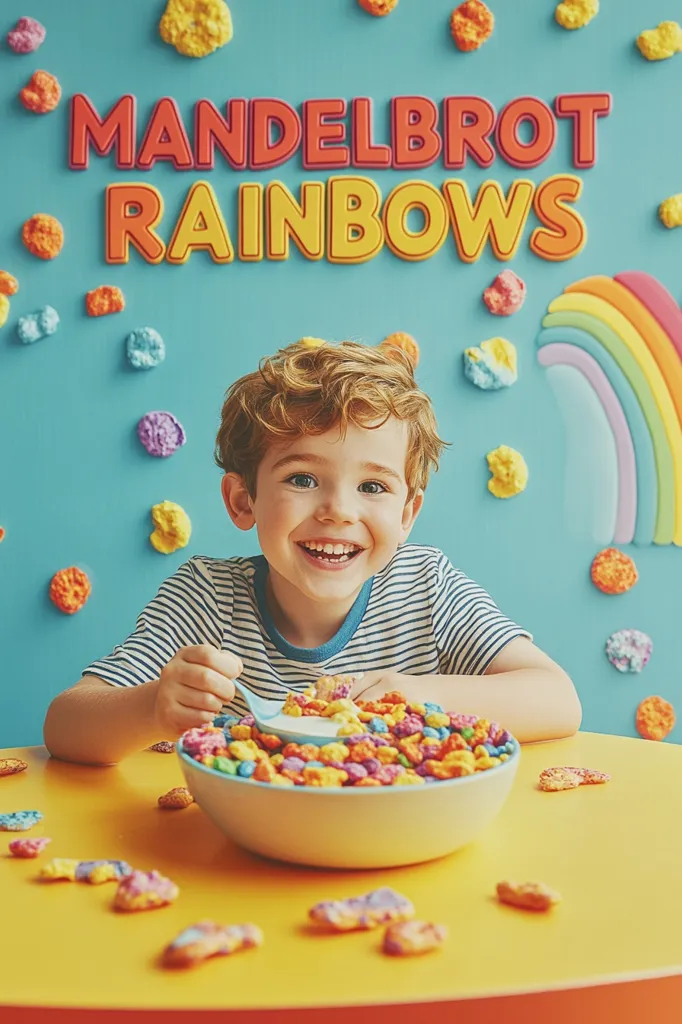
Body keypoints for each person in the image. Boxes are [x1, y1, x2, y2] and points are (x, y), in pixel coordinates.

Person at [43, 340, 581, 765]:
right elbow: (66, 725)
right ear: (241, 499)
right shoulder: (206, 598)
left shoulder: (425, 587)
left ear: (407, 513)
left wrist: (408, 695)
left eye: (373, 487)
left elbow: (558, 700)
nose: (338, 511)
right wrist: (152, 708)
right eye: (303, 478)